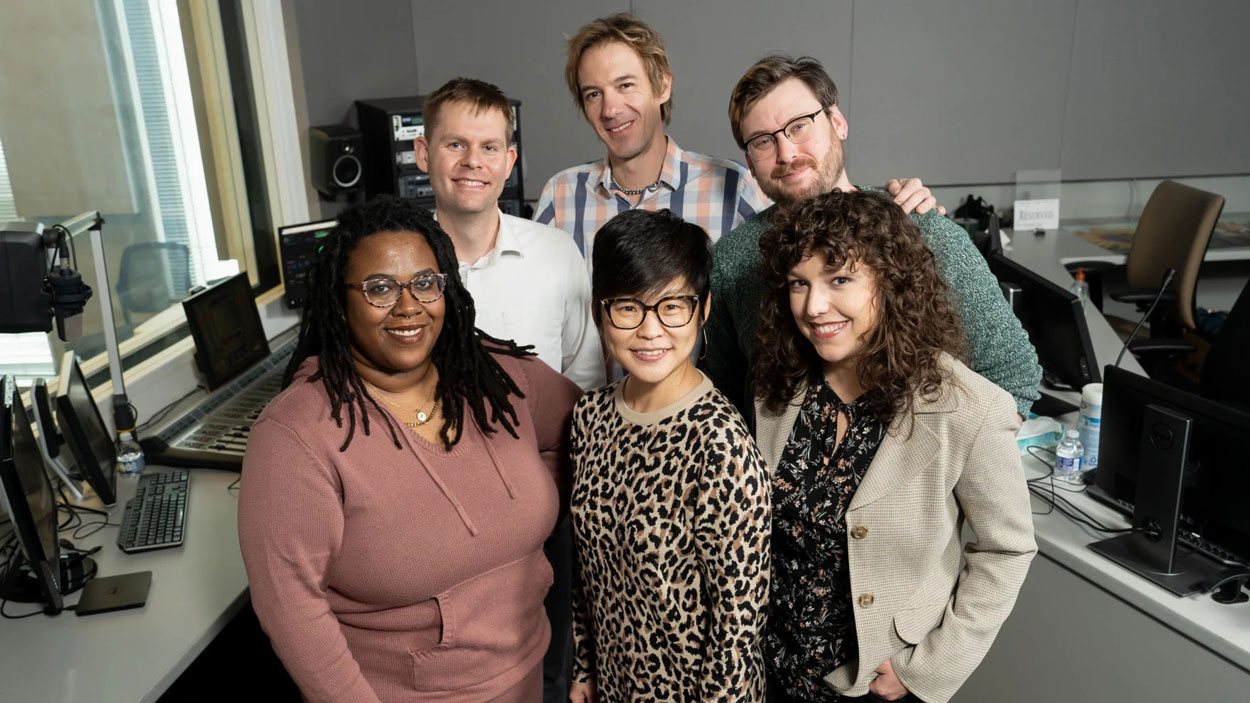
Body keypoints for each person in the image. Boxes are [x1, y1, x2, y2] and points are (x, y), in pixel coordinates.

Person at [238, 196, 582, 702]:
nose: (408, 306)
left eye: (425, 282)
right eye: (379, 288)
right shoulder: (296, 436)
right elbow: (292, 612)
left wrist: (529, 491)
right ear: (339, 301)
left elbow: (590, 431)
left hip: (532, 676)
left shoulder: (495, 375)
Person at [753, 189, 1036, 703]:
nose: (815, 307)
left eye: (840, 279)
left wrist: (924, 669)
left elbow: (1007, 548)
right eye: (799, 283)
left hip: (874, 682)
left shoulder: (969, 407)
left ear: (891, 281)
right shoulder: (778, 385)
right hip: (768, 672)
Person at [709, 55, 1041, 418]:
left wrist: (950, 467)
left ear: (837, 122)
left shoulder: (922, 230)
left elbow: (1013, 379)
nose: (786, 153)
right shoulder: (732, 261)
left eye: (799, 126)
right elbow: (724, 396)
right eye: (762, 141)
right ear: (749, 161)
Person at [535, 14, 939, 266]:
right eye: (593, 94)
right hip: (589, 405)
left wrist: (895, 201)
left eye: (626, 85)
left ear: (662, 86)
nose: (610, 108)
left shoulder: (737, 186)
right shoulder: (561, 195)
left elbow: (818, 200)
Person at [568, 209, 770, 703]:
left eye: (672, 306)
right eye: (628, 307)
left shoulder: (719, 444)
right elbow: (584, 570)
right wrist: (583, 668)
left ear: (702, 311)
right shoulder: (589, 417)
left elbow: (738, 627)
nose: (650, 330)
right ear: (601, 313)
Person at [415, 77, 603, 392]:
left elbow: (584, 381)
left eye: (489, 147)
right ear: (423, 154)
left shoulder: (557, 254)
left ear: (508, 162)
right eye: (455, 144)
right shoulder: (397, 265)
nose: (472, 161)